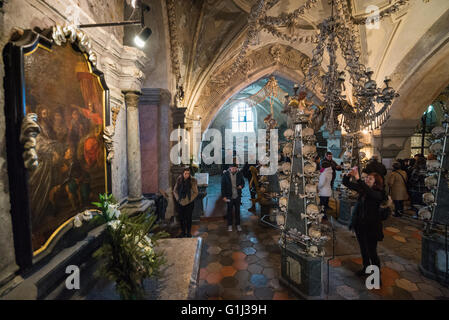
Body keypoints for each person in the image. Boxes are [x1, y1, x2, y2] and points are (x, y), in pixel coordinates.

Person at [342, 167, 386, 278]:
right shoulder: (363, 190)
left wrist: (358, 178)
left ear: (376, 182)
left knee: (372, 252)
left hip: (372, 227)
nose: (367, 180)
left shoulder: (379, 193)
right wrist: (349, 174)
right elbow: (346, 183)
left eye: (370, 179)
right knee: (363, 249)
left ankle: (376, 277)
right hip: (360, 225)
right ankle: (366, 269)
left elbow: (370, 192)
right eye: (366, 178)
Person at [173, 167, 198, 237]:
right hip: (180, 202)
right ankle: (183, 232)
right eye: (185, 173)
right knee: (181, 218)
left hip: (189, 203)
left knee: (188, 218)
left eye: (188, 174)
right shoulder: (179, 179)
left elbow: (196, 192)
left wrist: (189, 200)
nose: (187, 175)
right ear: (183, 173)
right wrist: (178, 199)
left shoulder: (192, 180)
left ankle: (189, 232)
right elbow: (175, 191)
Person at [221, 161, 245, 232]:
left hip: (237, 196)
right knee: (229, 211)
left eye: (235, 168)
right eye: (233, 168)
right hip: (229, 196)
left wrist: (241, 186)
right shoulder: (225, 175)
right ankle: (230, 225)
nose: (234, 170)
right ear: (230, 168)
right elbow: (223, 187)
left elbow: (243, 183)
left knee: (238, 211)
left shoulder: (240, 174)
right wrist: (224, 196)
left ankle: (238, 224)